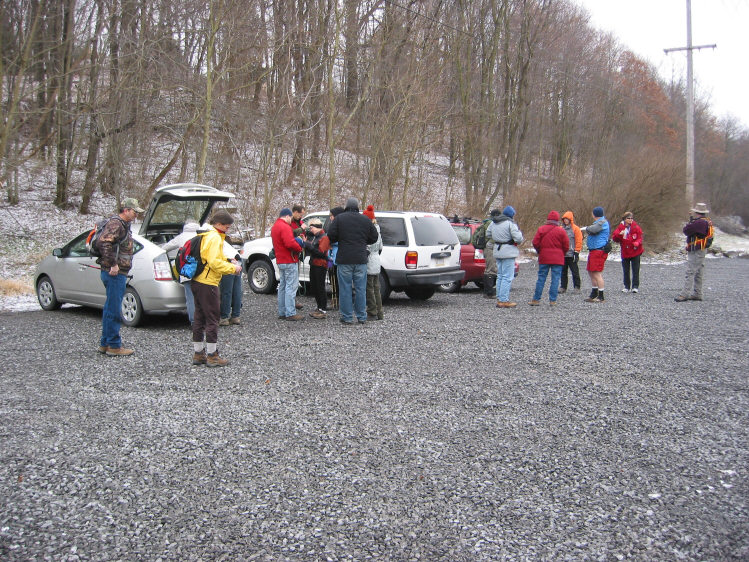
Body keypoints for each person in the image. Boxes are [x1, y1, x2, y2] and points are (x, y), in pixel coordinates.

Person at [191, 210, 243, 367]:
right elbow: (213, 263)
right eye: (227, 227)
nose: (227, 230)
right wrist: (232, 268)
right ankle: (212, 355)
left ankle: (198, 353)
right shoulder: (214, 238)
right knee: (213, 318)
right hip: (208, 283)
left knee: (199, 317)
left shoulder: (205, 235)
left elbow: (209, 258)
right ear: (218, 224)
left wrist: (228, 260)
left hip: (197, 281)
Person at [96, 197, 144, 356]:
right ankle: (114, 345)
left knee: (110, 307)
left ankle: (105, 343)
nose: (136, 215)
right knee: (115, 309)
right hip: (114, 273)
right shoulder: (116, 224)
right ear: (126, 210)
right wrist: (113, 264)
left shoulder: (123, 225)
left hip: (115, 272)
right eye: (134, 211)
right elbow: (104, 243)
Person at [327, 197, 378, 324]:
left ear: (346, 206)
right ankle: (362, 316)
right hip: (361, 259)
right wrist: (362, 241)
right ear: (357, 207)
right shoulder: (365, 220)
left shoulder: (339, 219)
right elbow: (374, 237)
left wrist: (341, 239)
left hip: (344, 259)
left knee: (345, 288)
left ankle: (347, 317)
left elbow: (331, 236)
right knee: (361, 289)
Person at [161, 220, 200, 325]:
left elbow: (165, 248)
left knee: (190, 297)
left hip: (187, 272)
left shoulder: (181, 237)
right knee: (202, 297)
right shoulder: (202, 236)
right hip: (201, 272)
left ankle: (194, 322)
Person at [271, 208, 305, 321]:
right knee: (291, 286)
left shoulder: (275, 226)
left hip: (280, 260)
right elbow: (289, 243)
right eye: (290, 218)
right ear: (287, 216)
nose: (291, 220)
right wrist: (299, 247)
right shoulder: (285, 227)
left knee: (283, 286)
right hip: (289, 260)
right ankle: (290, 312)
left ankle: (282, 311)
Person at [528, 210, 569, 306]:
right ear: (557, 220)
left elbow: (535, 242)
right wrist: (561, 253)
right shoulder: (561, 231)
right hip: (558, 259)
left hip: (544, 257)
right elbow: (566, 245)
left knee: (541, 278)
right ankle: (552, 300)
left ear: (548, 219)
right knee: (555, 279)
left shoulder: (541, 229)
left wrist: (540, 251)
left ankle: (536, 299)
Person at [486, 206, 523, 308]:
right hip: (508, 251)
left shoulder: (494, 222)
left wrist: (498, 237)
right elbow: (519, 239)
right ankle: (504, 300)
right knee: (507, 276)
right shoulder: (510, 224)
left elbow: (488, 234)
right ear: (511, 215)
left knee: (500, 275)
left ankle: (499, 298)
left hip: (497, 250)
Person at [675, 203, 713, 302]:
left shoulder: (699, 223)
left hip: (696, 249)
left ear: (697, 212)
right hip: (702, 249)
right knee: (699, 272)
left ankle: (684, 294)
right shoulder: (706, 221)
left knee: (690, 271)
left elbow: (686, 230)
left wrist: (691, 221)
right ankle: (697, 293)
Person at [303, 217, 330, 319]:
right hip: (314, 264)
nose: (311, 230)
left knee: (320, 287)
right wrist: (307, 244)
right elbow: (314, 250)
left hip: (320, 265)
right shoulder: (316, 237)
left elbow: (321, 253)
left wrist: (308, 246)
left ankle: (323, 309)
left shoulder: (324, 237)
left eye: (312, 228)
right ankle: (319, 307)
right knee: (314, 287)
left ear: (317, 227)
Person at [611, 211, 644, 293]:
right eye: (628, 218)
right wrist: (619, 234)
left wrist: (637, 243)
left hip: (635, 251)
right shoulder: (620, 227)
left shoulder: (636, 227)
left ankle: (635, 286)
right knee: (626, 270)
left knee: (635, 269)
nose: (630, 220)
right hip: (625, 251)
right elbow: (615, 239)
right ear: (624, 219)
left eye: (631, 218)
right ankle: (626, 286)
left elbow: (640, 237)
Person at [583, 206, 611, 302]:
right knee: (591, 272)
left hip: (599, 251)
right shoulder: (599, 223)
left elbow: (592, 229)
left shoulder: (602, 223)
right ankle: (594, 293)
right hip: (594, 251)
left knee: (597, 273)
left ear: (594, 214)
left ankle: (601, 296)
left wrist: (583, 229)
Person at [363, 205, 384, 320]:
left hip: (370, 260)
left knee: (369, 288)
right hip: (376, 260)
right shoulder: (378, 229)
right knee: (376, 288)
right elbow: (381, 246)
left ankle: (372, 311)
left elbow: (368, 247)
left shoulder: (369, 231)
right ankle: (379, 312)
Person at [472, 212, 497, 297]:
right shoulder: (491, 224)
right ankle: (489, 292)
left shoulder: (486, 223)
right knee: (491, 269)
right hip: (489, 248)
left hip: (486, 248)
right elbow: (492, 236)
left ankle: (488, 291)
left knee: (489, 269)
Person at [219, 239, 243, 325]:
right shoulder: (220, 239)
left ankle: (224, 317)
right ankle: (235, 316)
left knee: (226, 292)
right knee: (236, 290)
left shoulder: (211, 239)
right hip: (238, 260)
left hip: (229, 262)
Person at [325, 207, 344, 310]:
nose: (331, 218)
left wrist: (331, 242)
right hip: (330, 258)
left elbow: (339, 240)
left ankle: (338, 301)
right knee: (331, 280)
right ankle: (334, 300)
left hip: (337, 258)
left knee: (337, 280)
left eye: (332, 216)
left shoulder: (341, 226)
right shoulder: (332, 225)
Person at [559, 211, 582, 294]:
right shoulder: (561, 229)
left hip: (572, 254)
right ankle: (563, 286)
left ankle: (577, 287)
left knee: (575, 271)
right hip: (563, 254)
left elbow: (579, 241)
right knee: (563, 271)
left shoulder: (576, 229)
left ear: (570, 220)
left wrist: (577, 252)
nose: (565, 221)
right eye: (564, 219)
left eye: (567, 219)